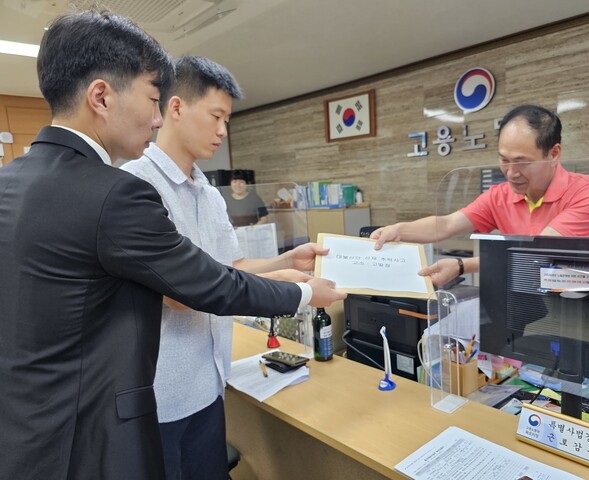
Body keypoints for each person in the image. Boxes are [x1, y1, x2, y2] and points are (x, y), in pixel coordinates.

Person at [0, 11, 345, 480]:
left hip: (35, 425)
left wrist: (283, 263)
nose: (157, 116)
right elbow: (201, 285)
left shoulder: (11, 181)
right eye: (152, 98)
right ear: (101, 96)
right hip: (101, 425)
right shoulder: (117, 190)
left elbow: (223, 267)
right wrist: (302, 293)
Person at [121, 55, 323, 480]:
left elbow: (231, 267)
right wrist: (293, 290)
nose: (222, 131)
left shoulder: (209, 193)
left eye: (227, 119)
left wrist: (286, 261)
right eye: (216, 116)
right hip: (162, 394)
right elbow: (182, 293)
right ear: (175, 107)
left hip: (210, 381)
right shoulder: (138, 185)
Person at [372, 104, 589, 286]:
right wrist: (399, 230)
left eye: (522, 162)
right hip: (529, 295)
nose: (511, 173)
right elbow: (446, 223)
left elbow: (537, 253)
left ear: (553, 153)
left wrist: (462, 266)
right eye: (503, 160)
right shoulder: (499, 196)